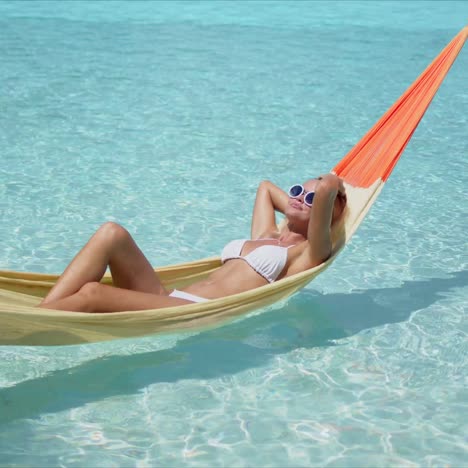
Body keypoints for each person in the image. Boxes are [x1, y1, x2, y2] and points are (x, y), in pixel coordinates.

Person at [38, 173, 347, 313]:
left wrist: (329, 185)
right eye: (296, 190)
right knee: (111, 232)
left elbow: (327, 191)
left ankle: (34, 322)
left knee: (93, 293)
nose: (298, 199)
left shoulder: (305, 254)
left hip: (195, 310)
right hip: (168, 296)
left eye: (312, 199)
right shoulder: (266, 234)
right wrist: (301, 200)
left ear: (324, 214)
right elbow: (265, 187)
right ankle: (42, 312)